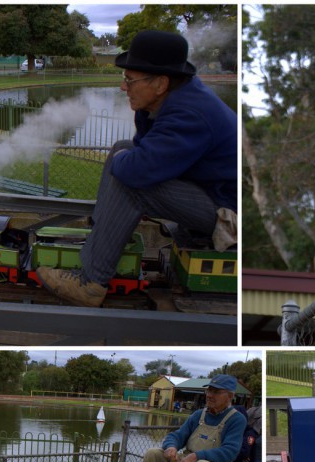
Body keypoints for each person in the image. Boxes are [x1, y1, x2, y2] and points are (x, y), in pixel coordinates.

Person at [37, 29, 238, 307]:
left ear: (160, 83)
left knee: (129, 180)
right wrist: (142, 111)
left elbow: (137, 170)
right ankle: (101, 232)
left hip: (228, 214)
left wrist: (125, 162)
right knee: (122, 149)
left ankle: (91, 283)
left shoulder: (188, 114)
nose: (123, 87)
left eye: (129, 80)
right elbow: (139, 145)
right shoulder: (175, 99)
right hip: (210, 192)